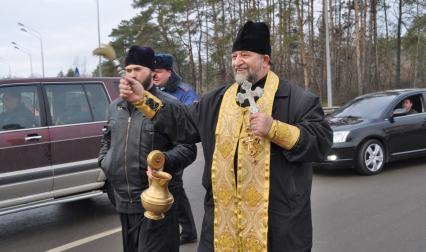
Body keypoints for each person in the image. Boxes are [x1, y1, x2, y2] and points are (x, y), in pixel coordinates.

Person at [120, 21, 333, 252]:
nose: (237, 61)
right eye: (234, 55)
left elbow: (321, 142)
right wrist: (144, 99)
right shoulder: (217, 100)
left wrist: (275, 129)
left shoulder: (298, 99)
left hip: (277, 226)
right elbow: (182, 123)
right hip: (222, 225)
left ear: (265, 59)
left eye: (245, 55)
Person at [98, 45, 197, 252]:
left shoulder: (169, 105)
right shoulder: (115, 107)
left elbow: (188, 147)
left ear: (152, 72)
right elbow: (107, 141)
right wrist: (106, 162)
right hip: (124, 202)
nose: (132, 75)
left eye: (138, 70)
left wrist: (163, 162)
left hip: (158, 203)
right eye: (129, 70)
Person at [152, 53, 199, 245]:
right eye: (152, 72)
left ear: (169, 72)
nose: (154, 75)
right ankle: (185, 230)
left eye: (159, 72)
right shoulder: (153, 91)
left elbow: (190, 125)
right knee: (172, 189)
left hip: (177, 148)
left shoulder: (185, 92)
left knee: (174, 188)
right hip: (158, 148)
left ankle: (186, 231)